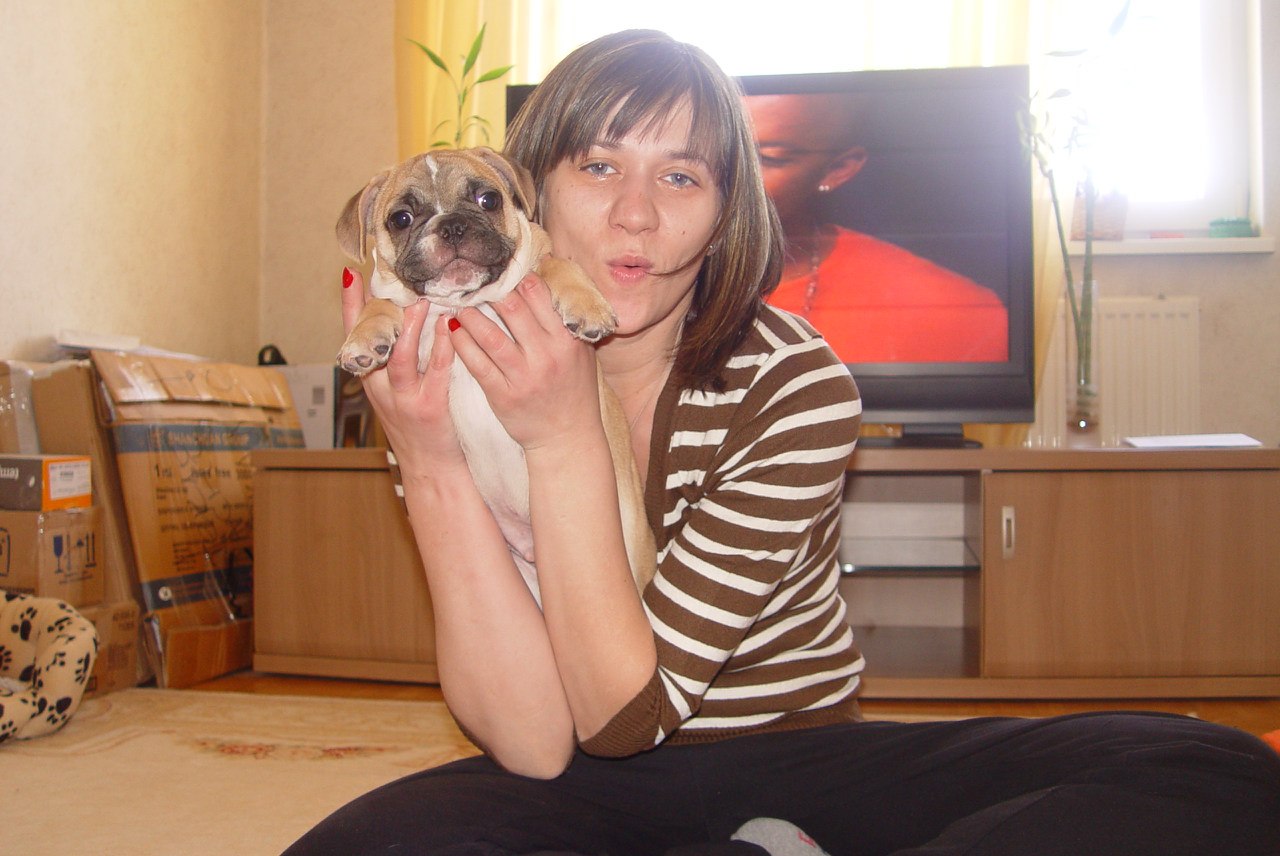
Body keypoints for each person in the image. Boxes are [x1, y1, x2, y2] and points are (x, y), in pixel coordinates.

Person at [284, 29, 1280, 856]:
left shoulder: (793, 382)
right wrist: (428, 457)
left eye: (681, 176)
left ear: (726, 213)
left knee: (1209, 768)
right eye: (598, 166)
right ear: (529, 193)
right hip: (576, 786)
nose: (635, 214)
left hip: (797, 762)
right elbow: (539, 747)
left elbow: (629, 712)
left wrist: (562, 437)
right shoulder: (441, 369)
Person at [744, 92, 1008, 363]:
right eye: (719, 149)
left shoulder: (955, 313)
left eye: (767, 158)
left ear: (837, 169)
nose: (728, 173)